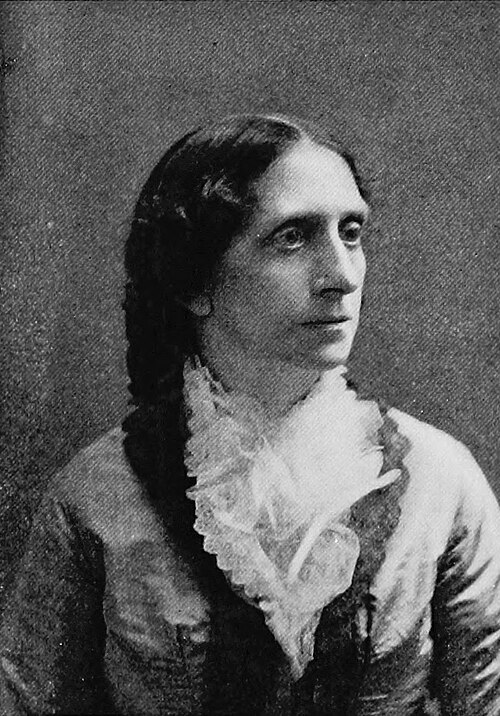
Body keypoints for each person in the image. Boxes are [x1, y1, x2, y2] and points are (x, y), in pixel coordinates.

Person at [1, 114, 499, 716]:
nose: (341, 276)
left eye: (351, 233)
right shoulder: (94, 497)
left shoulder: (440, 482)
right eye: (291, 237)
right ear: (193, 281)